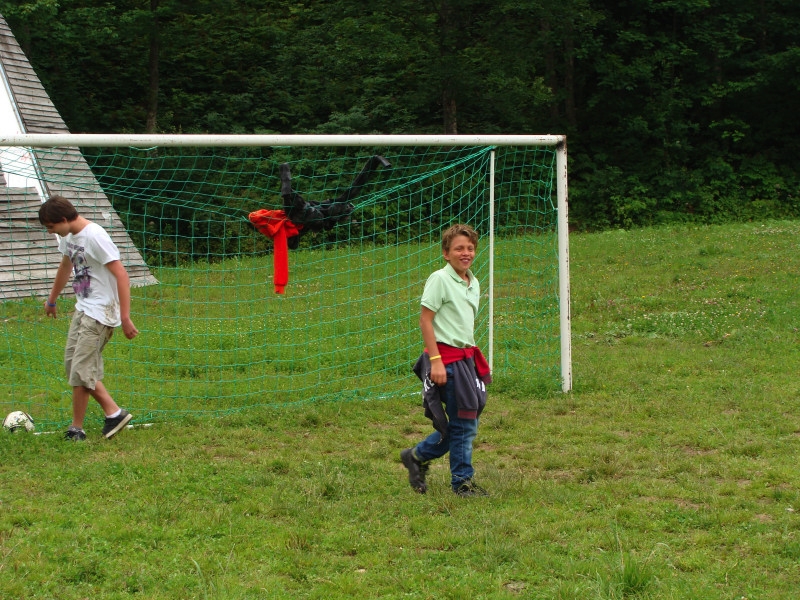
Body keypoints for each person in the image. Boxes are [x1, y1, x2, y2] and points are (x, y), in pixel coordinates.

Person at [401, 223, 491, 497]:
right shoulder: (439, 279)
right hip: (446, 360)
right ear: (446, 253)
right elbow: (425, 321)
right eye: (458, 249)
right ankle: (462, 483)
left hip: (466, 361)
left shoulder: (472, 281)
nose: (466, 253)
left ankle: (416, 456)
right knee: (464, 424)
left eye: (470, 248)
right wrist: (436, 361)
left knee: (464, 424)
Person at [38, 195, 139, 441]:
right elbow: (65, 266)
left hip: (101, 312)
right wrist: (52, 300)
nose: (52, 232)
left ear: (63, 219)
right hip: (83, 307)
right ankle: (114, 413)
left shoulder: (95, 236)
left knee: (82, 369)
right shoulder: (69, 237)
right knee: (74, 366)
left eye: (51, 227)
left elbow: (122, 275)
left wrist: (125, 317)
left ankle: (77, 428)